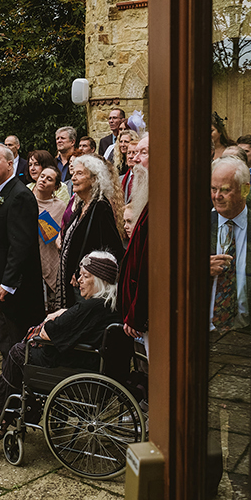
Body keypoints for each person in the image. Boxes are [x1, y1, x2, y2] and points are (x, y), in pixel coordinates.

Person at [0, 250, 122, 430]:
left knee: (18, 352)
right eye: (80, 275)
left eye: (86, 276)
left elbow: (47, 333)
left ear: (100, 280)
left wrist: (51, 318)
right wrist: (65, 312)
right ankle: (22, 409)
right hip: (97, 366)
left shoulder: (89, 307)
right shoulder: (110, 303)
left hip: (75, 366)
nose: (79, 280)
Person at [0, 144, 44, 358]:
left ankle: (16, 378)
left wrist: (7, 283)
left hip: (13, 287)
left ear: (10, 164)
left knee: (15, 339)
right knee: (4, 338)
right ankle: (8, 378)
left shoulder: (19, 195)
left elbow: (21, 244)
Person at [55, 154, 124, 309]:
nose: (73, 178)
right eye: (73, 173)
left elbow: (112, 249)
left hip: (87, 286)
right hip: (73, 283)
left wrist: (84, 270)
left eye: (80, 173)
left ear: (94, 179)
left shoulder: (100, 207)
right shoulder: (81, 206)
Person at [209, 156, 251, 332]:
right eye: (213, 189)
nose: (217, 196)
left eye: (225, 190)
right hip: (204, 333)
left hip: (248, 332)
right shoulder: (196, 226)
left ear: (245, 190)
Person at [119, 134, 150, 352]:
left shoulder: (163, 201)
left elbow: (149, 264)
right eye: (135, 152)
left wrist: (136, 314)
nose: (135, 159)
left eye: (143, 152)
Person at [33, 166, 67, 311]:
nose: (43, 180)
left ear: (56, 187)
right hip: (31, 261)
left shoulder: (60, 206)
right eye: (42, 176)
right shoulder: (26, 200)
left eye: (49, 179)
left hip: (51, 258)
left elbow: (52, 234)